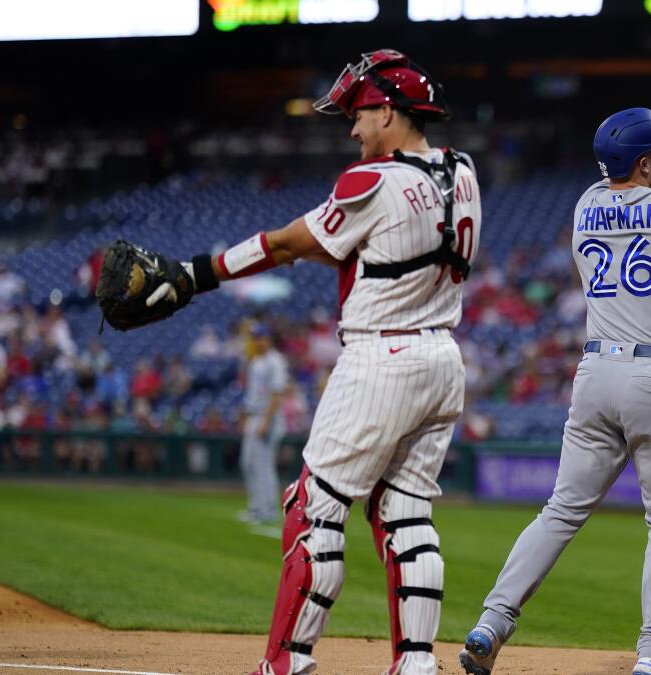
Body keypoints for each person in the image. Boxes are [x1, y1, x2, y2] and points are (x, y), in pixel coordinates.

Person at [140, 49, 480, 675]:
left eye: (357, 113)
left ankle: (285, 663)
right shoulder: (462, 173)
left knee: (313, 506)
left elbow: (291, 242)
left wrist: (198, 273)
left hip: (383, 355)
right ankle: (415, 664)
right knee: (408, 513)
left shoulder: (370, 180)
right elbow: (373, 250)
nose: (352, 128)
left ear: (387, 110)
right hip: (442, 358)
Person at [459, 37, 651, 675]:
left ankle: (491, 622)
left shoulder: (584, 204)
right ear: (649, 164)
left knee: (561, 509)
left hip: (594, 372)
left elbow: (625, 147)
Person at [238, 323, 289, 525]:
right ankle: (256, 507)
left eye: (259, 337)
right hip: (255, 416)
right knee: (248, 463)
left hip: (268, 418)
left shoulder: (275, 361)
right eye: (254, 338)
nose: (256, 341)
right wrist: (246, 417)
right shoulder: (256, 361)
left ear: (267, 338)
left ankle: (267, 510)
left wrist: (265, 422)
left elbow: (277, 394)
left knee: (263, 466)